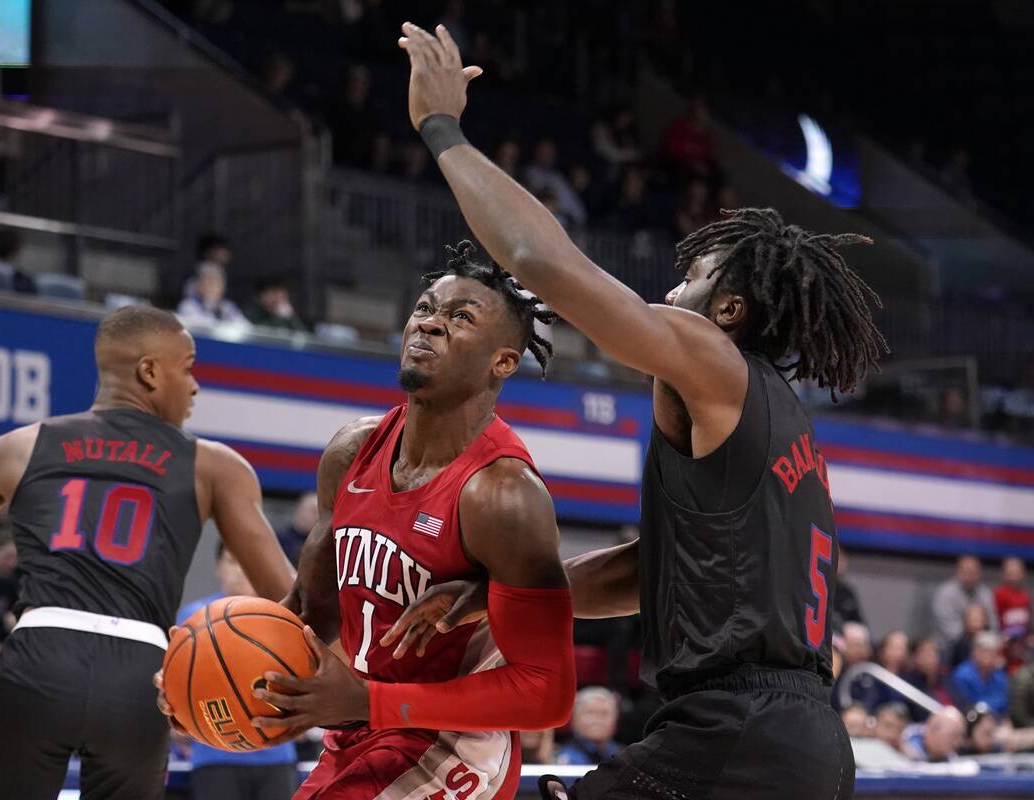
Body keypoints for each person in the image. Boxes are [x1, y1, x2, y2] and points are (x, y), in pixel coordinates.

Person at [391, 23, 889, 799]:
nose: (672, 286)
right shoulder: (776, 418)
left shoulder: (712, 357)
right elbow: (650, 573)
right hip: (800, 743)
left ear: (726, 309)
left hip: (734, 730)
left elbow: (542, 264)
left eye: (692, 276)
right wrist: (501, 600)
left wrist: (441, 127)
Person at [157, 242, 578, 798]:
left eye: (460, 318)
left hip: (455, 745)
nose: (429, 324)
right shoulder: (352, 451)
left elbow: (547, 694)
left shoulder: (503, 496)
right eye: (425, 308)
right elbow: (311, 613)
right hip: (362, 727)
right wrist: (210, 679)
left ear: (503, 360)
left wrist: (366, 701)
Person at [0, 306, 296, 800]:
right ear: (149, 372)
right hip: (143, 676)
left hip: (40, 658)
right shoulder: (216, 466)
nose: (195, 385)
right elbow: (290, 602)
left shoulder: (16, 449)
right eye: (188, 367)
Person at [178, 544, 298, 800]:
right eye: (233, 561)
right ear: (217, 567)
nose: (242, 569)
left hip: (277, 755)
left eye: (248, 559)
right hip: (215, 757)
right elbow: (174, 690)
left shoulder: (284, 617)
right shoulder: (193, 619)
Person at [932, 555, 997, 648]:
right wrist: (970, 630)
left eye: (973, 572)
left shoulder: (985, 593)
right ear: (958, 571)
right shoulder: (946, 593)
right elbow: (948, 629)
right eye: (966, 571)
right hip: (949, 646)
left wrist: (985, 638)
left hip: (982, 644)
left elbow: (993, 624)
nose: (970, 575)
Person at [558, 688, 623, 766]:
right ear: (574, 718)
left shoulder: (626, 756)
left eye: (604, 713)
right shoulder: (559, 757)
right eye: (590, 712)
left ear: (616, 719)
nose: (598, 719)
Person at [949, 631, 1009, 714]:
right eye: (986, 651)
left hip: (997, 720)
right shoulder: (961, 675)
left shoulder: (999, 674)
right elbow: (967, 705)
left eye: (993, 652)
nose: (990, 656)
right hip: (972, 721)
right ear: (975, 652)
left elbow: (1004, 701)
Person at [177, 262, 249, 328]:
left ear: (222, 288)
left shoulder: (228, 307)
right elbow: (202, 326)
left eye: (215, 284)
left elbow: (246, 327)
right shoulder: (188, 305)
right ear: (198, 286)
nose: (211, 288)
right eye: (207, 283)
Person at [244, 277, 309, 333]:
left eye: (281, 294)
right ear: (259, 297)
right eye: (272, 293)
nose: (277, 298)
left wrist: (292, 318)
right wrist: (278, 318)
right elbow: (264, 334)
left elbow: (304, 337)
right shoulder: (250, 314)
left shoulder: (288, 315)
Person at [276, 492, 319, 566]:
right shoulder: (280, 540)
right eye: (314, 511)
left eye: (320, 513)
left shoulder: (323, 542)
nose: (317, 517)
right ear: (300, 511)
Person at [995, 556, 1031, 644]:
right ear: (1004, 573)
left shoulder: (1026, 594)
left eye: (1016, 572)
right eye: (1010, 572)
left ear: (1022, 573)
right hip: (1003, 638)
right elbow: (995, 618)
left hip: (1022, 640)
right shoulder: (999, 593)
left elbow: (1027, 620)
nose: (1013, 576)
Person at [948, 603, 992, 668]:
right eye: (972, 620)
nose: (975, 625)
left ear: (985, 621)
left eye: (978, 620)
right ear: (965, 622)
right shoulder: (960, 646)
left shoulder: (993, 642)